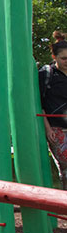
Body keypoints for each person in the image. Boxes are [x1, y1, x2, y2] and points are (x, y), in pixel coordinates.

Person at [40, 30, 67, 189]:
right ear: (54, 57)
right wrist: (47, 128)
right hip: (56, 128)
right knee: (65, 166)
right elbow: (40, 103)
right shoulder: (47, 74)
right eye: (64, 58)